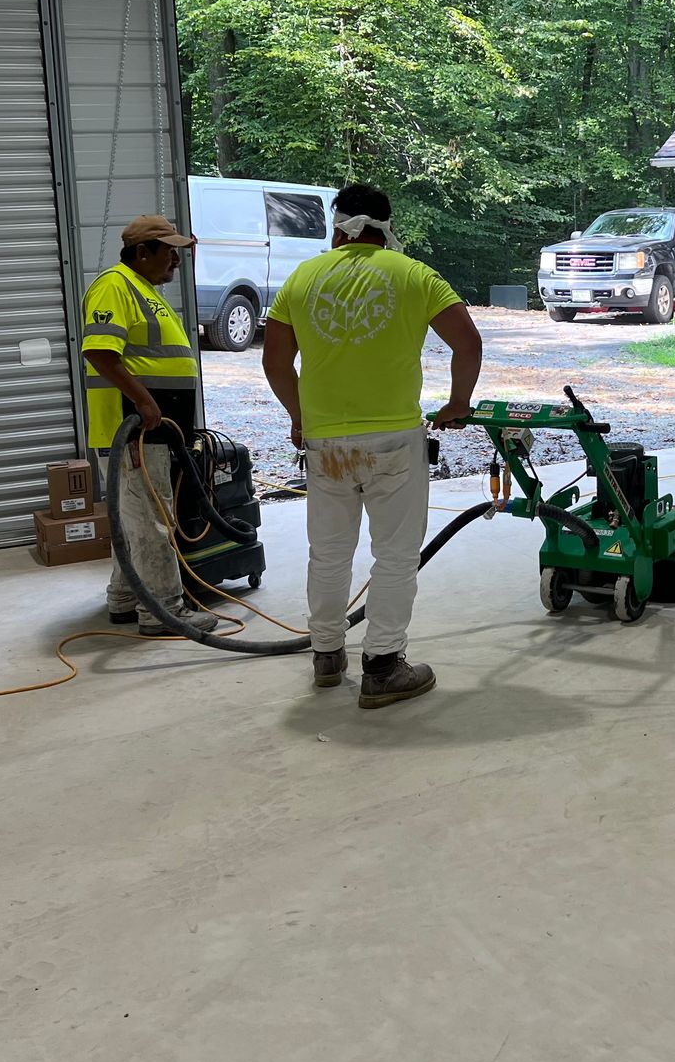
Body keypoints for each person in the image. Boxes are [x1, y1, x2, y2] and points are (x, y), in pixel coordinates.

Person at [262, 184, 483, 710]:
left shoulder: (302, 277)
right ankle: (383, 666)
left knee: (329, 552)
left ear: (338, 227)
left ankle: (327, 655)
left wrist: (300, 417)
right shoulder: (414, 275)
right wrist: (457, 404)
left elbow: (274, 361)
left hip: (327, 445)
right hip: (393, 442)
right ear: (386, 226)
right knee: (396, 555)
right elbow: (468, 342)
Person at [80, 213, 222, 636]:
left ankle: (126, 599)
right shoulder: (115, 285)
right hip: (137, 427)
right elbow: (100, 352)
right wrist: (143, 401)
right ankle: (165, 609)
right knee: (153, 520)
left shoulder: (141, 288)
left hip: (151, 427)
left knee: (133, 520)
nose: (176, 262)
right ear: (142, 252)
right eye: (170, 253)